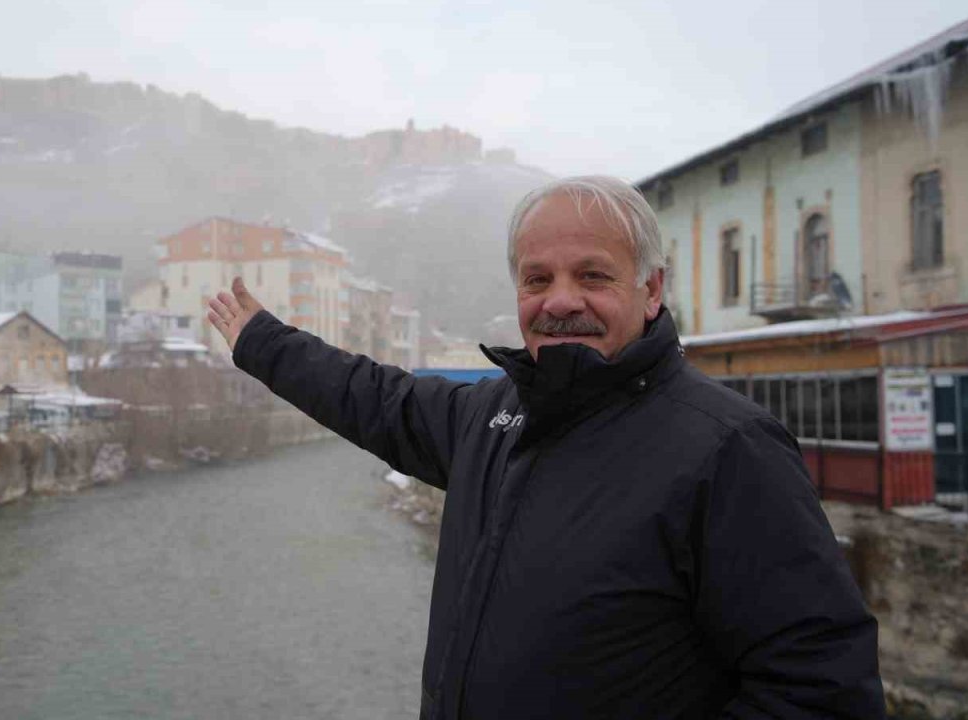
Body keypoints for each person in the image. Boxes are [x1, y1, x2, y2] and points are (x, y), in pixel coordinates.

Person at [206, 176, 885, 719]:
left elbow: (821, 690)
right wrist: (262, 343)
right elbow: (375, 397)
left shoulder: (727, 449)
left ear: (650, 290)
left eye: (592, 276)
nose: (560, 301)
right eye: (538, 279)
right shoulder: (493, 418)